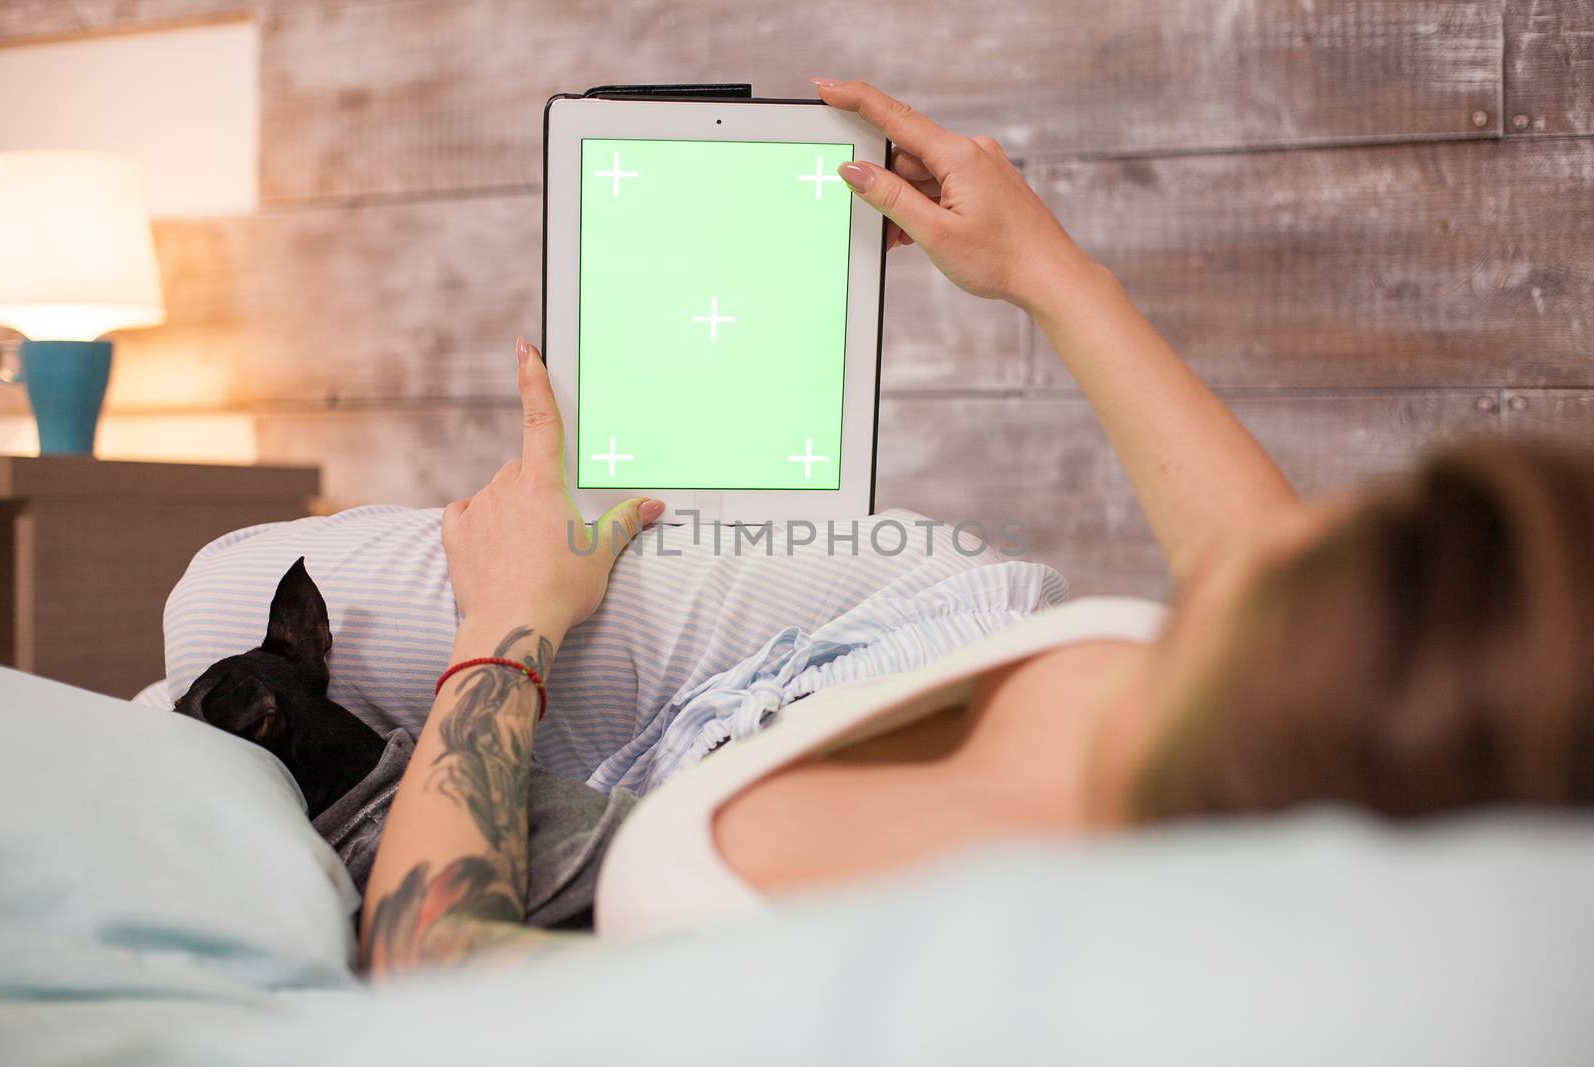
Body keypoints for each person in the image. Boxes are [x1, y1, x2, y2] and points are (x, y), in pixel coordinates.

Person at [360, 80, 1594, 973]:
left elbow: (437, 960)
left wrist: (508, 617)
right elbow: (1244, 555)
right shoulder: (1276, 683)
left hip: (637, 720)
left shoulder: (1006, 958)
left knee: (221, 598)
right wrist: (1040, 267)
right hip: (883, 621)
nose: (1302, 540)